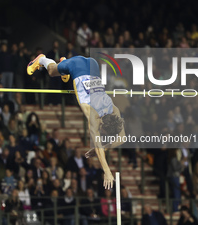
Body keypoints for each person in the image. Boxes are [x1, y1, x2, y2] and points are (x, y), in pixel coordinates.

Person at [27, 55, 125, 189]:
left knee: (63, 71)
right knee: (51, 71)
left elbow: (122, 138)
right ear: (102, 124)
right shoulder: (92, 115)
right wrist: (107, 171)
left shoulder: (114, 109)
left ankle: (64, 67)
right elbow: (99, 143)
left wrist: (102, 148)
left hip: (92, 63)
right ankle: (42, 59)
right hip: (75, 65)